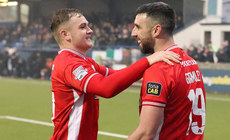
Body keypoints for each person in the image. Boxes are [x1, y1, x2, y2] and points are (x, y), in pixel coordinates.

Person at [49, 8, 180, 140]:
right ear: (66, 35)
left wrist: (158, 70)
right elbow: (105, 88)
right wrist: (147, 61)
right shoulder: (68, 64)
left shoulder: (84, 61)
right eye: (83, 27)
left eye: (88, 25)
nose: (90, 30)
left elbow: (116, 75)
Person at [128, 2, 206, 140]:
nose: (133, 33)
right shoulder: (191, 62)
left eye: (137, 27)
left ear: (156, 30)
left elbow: (147, 133)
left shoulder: (160, 69)